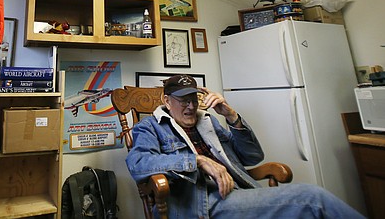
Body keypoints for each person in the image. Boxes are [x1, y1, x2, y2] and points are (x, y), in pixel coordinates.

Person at [125, 74, 364, 219]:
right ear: (166, 101)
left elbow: (251, 157)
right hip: (202, 203)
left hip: (238, 193)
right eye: (182, 100)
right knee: (313, 200)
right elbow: (138, 164)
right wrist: (197, 160)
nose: (189, 106)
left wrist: (231, 116)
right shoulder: (150, 127)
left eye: (193, 99)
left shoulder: (207, 123)